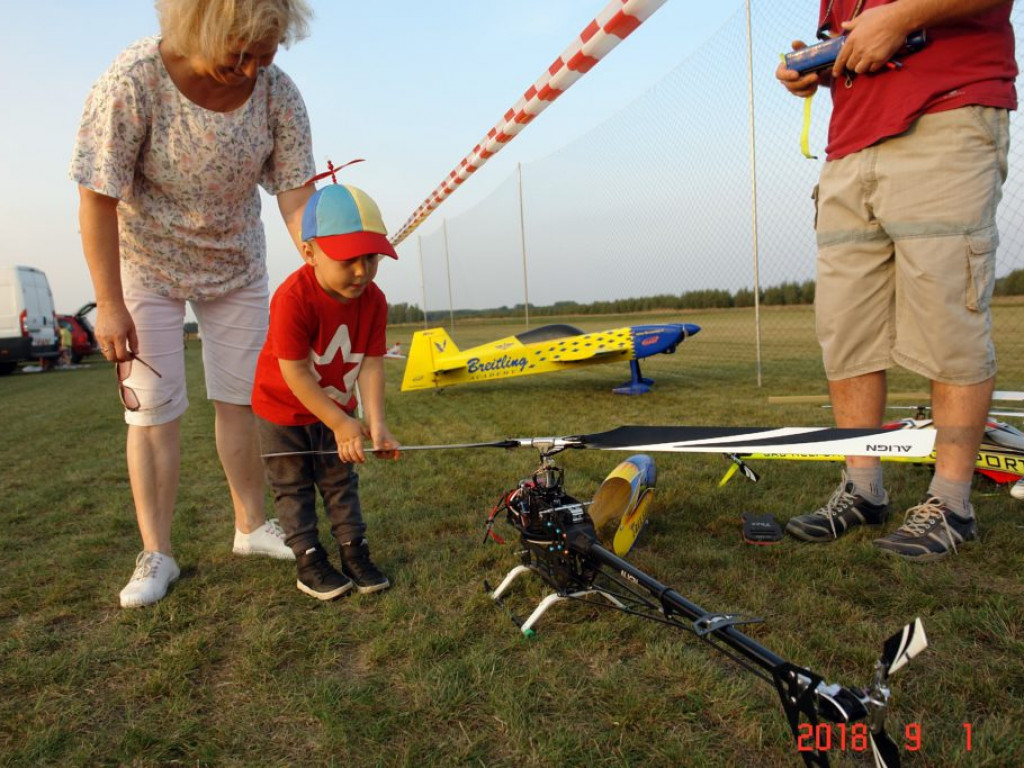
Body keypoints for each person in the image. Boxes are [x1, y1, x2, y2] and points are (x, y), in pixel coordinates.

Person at [71, 0, 317, 608]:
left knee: (243, 398)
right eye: (240, 54)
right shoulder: (133, 80)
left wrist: (320, 263)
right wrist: (109, 303)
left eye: (265, 56)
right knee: (153, 413)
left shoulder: (277, 92)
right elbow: (97, 197)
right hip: (146, 267)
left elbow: (295, 191)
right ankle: (157, 552)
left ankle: (251, 526)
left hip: (236, 263)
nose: (253, 70)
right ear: (199, 29)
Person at [776, 1, 1017, 561]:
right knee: (846, 330)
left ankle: (951, 504)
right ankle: (862, 490)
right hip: (849, 143)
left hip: (945, 112)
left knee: (948, 321)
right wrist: (818, 65)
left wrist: (902, 18)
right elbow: (861, 38)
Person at [252, 183, 400, 600]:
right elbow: (295, 372)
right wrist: (340, 422)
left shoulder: (374, 300)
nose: (361, 271)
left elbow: (371, 363)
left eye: (370, 258)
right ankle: (309, 560)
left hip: (336, 410)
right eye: (348, 259)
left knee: (340, 482)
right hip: (281, 412)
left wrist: (374, 423)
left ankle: (354, 552)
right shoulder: (292, 298)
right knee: (293, 486)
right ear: (309, 252)